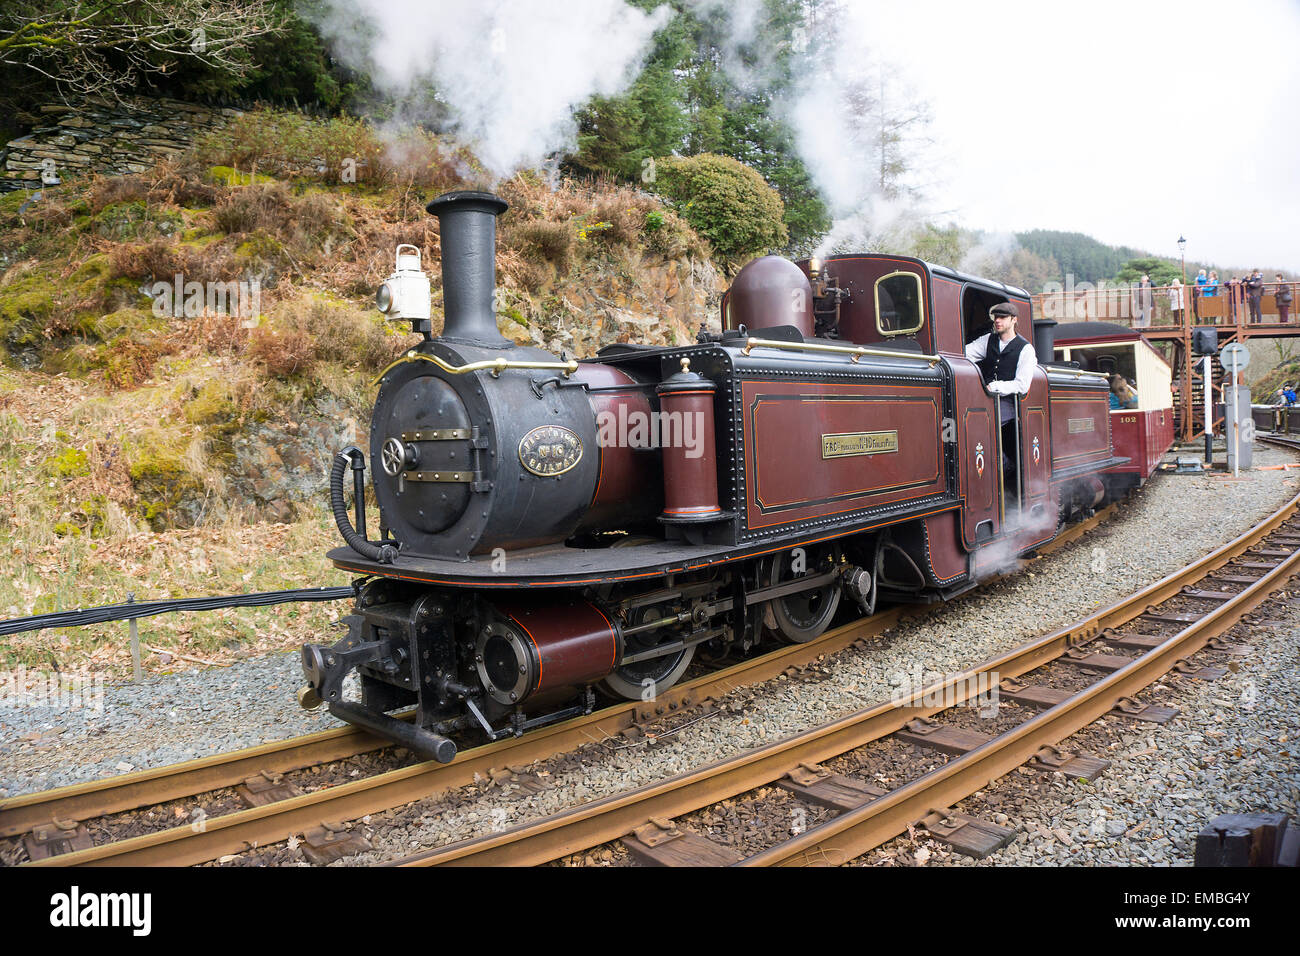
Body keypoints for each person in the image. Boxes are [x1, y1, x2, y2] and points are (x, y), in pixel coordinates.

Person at [965, 301, 1037, 499]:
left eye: (1002, 317)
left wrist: (997, 386)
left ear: (1014, 320)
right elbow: (965, 353)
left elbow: (1022, 385)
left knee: (983, 425)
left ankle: (1005, 467)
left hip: (1007, 404)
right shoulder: (987, 340)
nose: (997, 321)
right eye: (995, 317)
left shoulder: (1026, 349)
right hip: (984, 399)